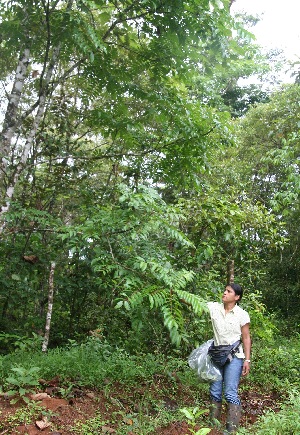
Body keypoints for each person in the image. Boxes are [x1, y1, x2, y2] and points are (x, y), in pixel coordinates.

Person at [207, 283, 251, 434]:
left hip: (235, 357)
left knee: (230, 392)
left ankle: (232, 430)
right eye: (225, 290)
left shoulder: (242, 314)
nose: (224, 293)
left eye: (229, 291)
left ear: (236, 297)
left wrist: (247, 359)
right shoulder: (214, 308)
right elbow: (194, 302)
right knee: (215, 391)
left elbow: (246, 337)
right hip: (216, 355)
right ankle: (213, 428)